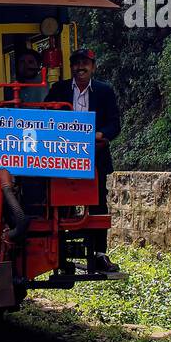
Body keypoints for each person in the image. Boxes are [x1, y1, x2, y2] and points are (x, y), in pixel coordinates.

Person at [46, 49, 120, 273]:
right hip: (63, 158)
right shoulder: (58, 90)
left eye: (85, 63)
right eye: (76, 63)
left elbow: (114, 124)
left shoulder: (105, 91)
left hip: (95, 157)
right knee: (61, 206)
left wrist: (101, 135)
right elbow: (46, 117)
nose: (81, 67)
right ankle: (60, 256)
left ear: (93, 67)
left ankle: (100, 254)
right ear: (71, 67)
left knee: (98, 204)